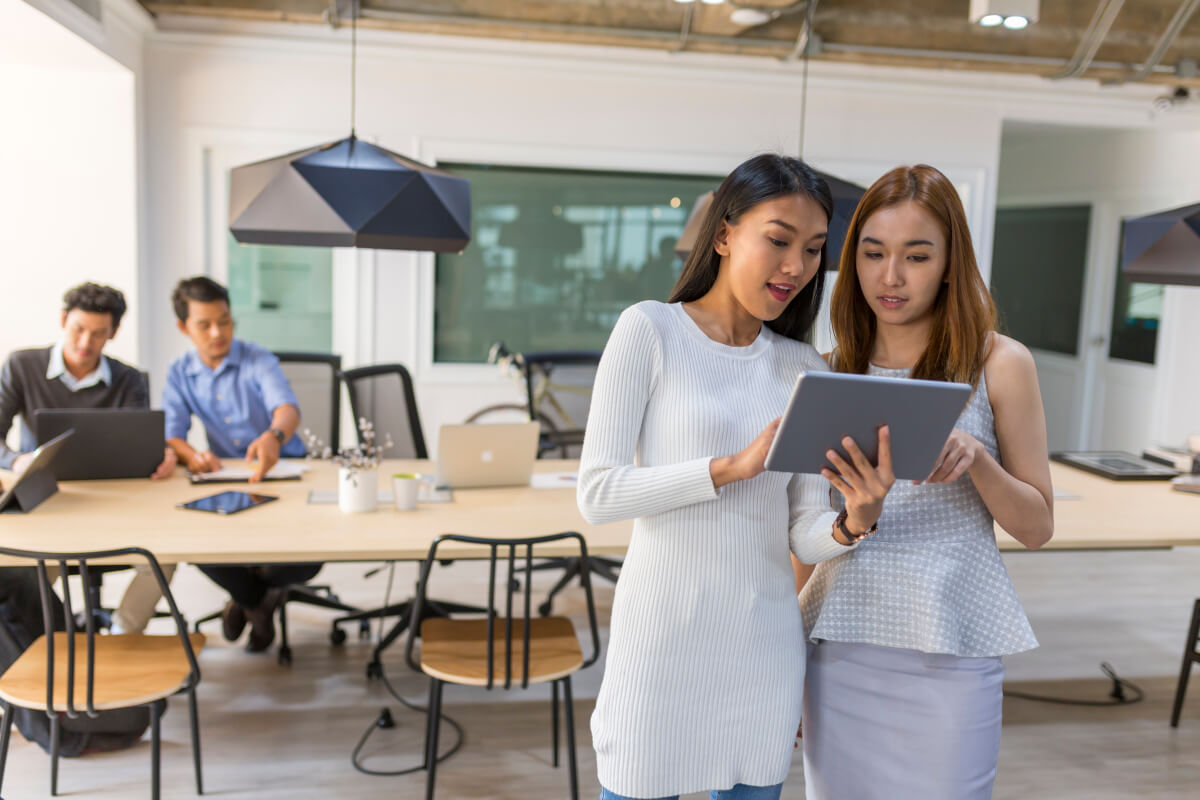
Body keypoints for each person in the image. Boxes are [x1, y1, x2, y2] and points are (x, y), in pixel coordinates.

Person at [577, 154, 894, 800]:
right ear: (722, 234)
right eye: (778, 240)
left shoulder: (801, 363)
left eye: (811, 250)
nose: (796, 268)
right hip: (661, 647)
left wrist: (853, 520)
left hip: (763, 652)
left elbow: (803, 531)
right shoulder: (650, 331)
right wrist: (730, 468)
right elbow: (598, 493)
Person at [799, 164, 1054, 800]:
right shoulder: (825, 372)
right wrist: (786, 660)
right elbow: (800, 538)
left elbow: (1038, 526)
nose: (891, 276)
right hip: (839, 649)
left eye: (916, 255)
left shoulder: (1000, 363)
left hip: (951, 646)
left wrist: (980, 461)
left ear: (949, 262)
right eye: (873, 253)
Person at [0, 282, 177, 635]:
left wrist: (162, 455)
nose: (85, 343)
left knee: (164, 557)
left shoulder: (128, 380)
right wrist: (16, 460)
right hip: (47, 503)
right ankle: (65, 641)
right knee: (18, 573)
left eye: (98, 334)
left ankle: (121, 643)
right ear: (64, 319)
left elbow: (138, 447)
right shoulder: (22, 366)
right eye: (79, 330)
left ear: (113, 332)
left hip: (115, 502)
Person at [164, 276, 317, 652]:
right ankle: (258, 602)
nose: (218, 332)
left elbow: (286, 409)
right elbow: (173, 433)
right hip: (229, 480)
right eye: (205, 324)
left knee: (309, 553)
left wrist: (274, 436)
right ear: (184, 327)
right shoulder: (180, 373)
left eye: (225, 320)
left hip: (285, 473)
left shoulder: (257, 358)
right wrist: (192, 456)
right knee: (195, 543)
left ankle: (245, 598)